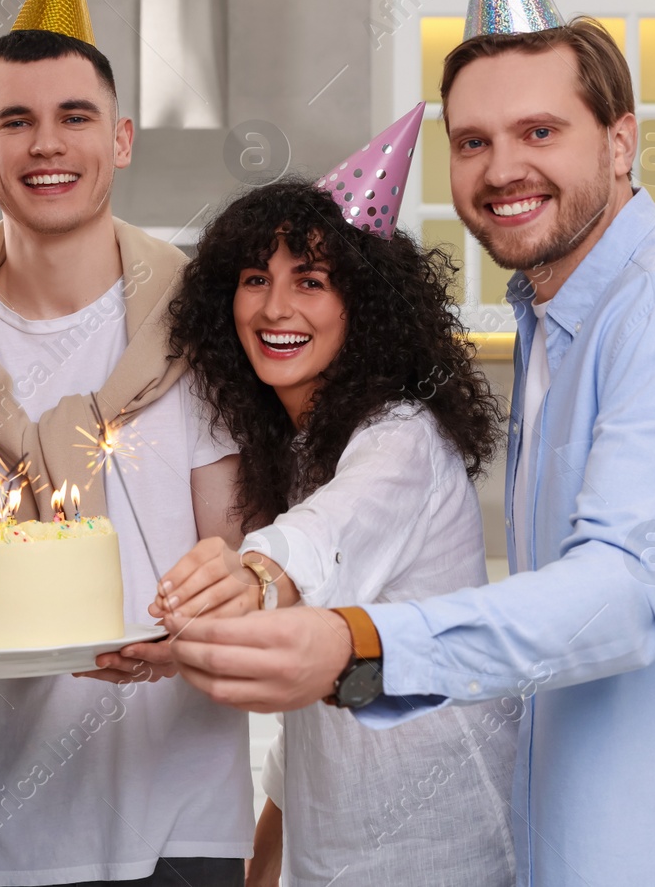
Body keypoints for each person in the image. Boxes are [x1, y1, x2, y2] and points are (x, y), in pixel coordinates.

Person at [164, 0, 655, 884]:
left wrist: (358, 643)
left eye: (539, 130)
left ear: (620, 142)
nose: (501, 167)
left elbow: (620, 593)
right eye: (475, 139)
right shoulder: (552, 321)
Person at [0, 0, 252, 887]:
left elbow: (228, 544)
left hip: (189, 811)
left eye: (75, 115)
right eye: (15, 121)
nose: (47, 143)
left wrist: (187, 638)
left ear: (121, 137)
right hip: (12, 821)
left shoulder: (202, 326)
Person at [155, 170, 516, 885]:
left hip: (444, 845)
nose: (276, 306)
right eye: (256, 277)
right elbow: (320, 699)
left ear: (366, 305)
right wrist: (267, 860)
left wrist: (250, 571)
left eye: (311, 280)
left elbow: (319, 539)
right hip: (333, 850)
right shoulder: (293, 452)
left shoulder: (400, 436)